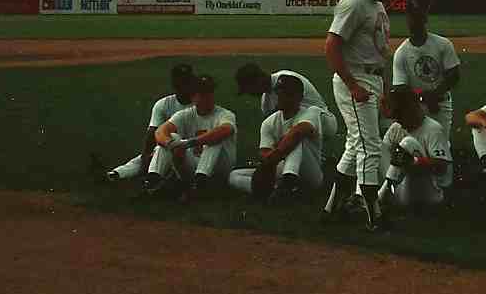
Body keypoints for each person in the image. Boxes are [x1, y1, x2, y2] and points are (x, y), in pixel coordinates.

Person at [322, 0, 398, 230]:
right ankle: (373, 215)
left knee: (356, 147)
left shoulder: (375, 3)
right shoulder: (354, 1)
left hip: (372, 79)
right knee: (370, 146)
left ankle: (331, 209)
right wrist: (353, 85)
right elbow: (331, 45)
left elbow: (379, 51)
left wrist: (384, 89)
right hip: (356, 80)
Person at [91, 63, 195, 186]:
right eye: (181, 82)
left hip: (190, 153)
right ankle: (114, 175)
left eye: (187, 82)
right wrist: (146, 156)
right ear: (174, 84)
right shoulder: (163, 104)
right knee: (149, 155)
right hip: (166, 150)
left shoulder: (199, 105)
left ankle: (154, 180)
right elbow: (152, 132)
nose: (184, 86)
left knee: (167, 143)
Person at [228, 74, 324, 204]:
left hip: (310, 175)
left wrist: (274, 156)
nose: (282, 98)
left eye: (287, 94)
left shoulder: (311, 112)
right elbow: (264, 153)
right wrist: (269, 162)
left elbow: (298, 132)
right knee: (234, 176)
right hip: (280, 167)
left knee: (296, 140)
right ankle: (275, 191)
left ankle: (287, 184)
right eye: (279, 94)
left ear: (299, 97)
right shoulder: (269, 122)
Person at [145, 75, 237, 204]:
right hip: (194, 165)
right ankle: (153, 181)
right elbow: (160, 132)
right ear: (193, 97)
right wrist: (171, 144)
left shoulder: (225, 114)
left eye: (210, 92)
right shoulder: (185, 115)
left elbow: (226, 130)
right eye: (203, 94)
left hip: (221, 167)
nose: (208, 97)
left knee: (214, 139)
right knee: (171, 138)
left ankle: (199, 185)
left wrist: (189, 143)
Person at [376, 87, 452, 221]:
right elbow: (383, 155)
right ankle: (366, 196)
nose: (398, 120)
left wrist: (415, 162)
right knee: (374, 145)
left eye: (400, 115)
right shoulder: (396, 127)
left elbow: (443, 168)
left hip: (430, 193)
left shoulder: (433, 129)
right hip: (403, 191)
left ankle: (380, 199)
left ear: (411, 110)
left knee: (408, 143)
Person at [391, 0, 461, 140]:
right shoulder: (401, 52)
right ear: (407, 20)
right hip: (414, 106)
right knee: (414, 146)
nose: (414, 22)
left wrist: (434, 95)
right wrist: (425, 97)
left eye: (418, 18)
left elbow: (454, 75)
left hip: (440, 104)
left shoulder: (443, 44)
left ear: (425, 19)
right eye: (412, 18)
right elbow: (400, 88)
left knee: (441, 146)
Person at [233, 62, 339, 148]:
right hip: (303, 128)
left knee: (293, 129)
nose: (250, 93)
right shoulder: (265, 101)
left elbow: (292, 110)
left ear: (257, 81)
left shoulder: (287, 79)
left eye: (249, 89)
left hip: (323, 121)